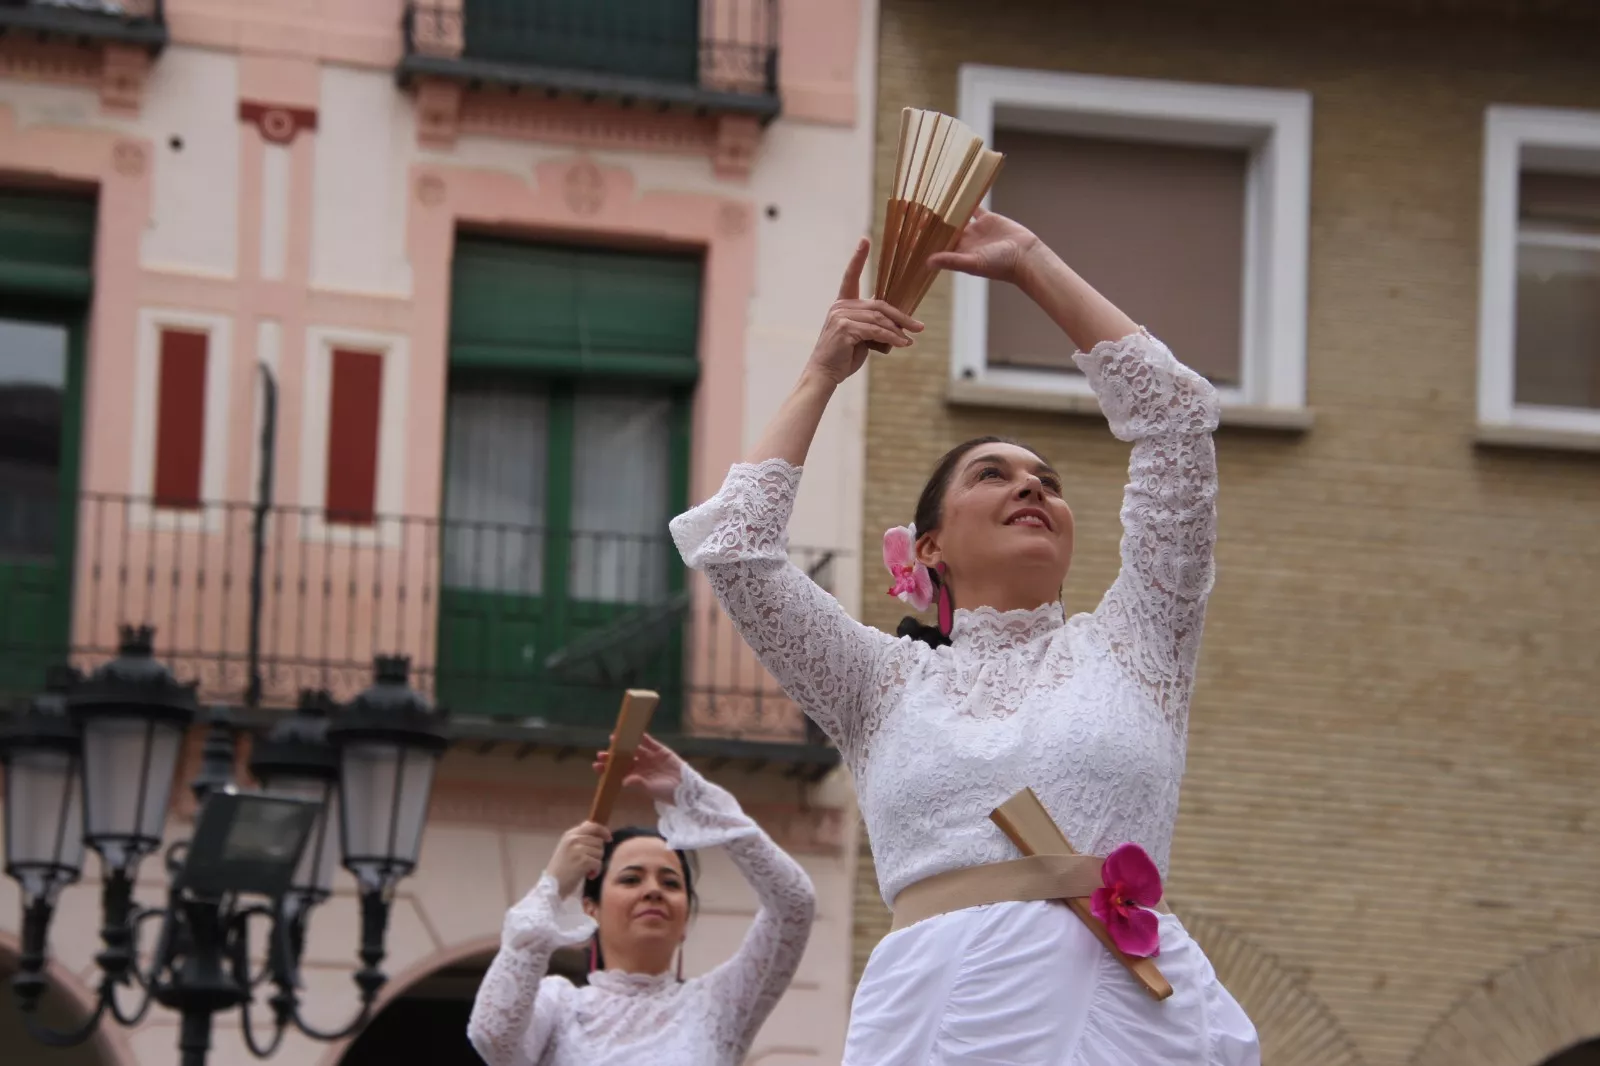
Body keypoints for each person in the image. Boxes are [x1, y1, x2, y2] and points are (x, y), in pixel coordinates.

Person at [668, 206, 1260, 1064]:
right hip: (935, 1021)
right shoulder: (877, 684)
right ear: (929, 548)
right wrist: (823, 371)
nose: (1032, 488)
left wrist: (1030, 262)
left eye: (1047, 481)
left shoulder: (1140, 641)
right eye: (993, 474)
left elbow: (1176, 420)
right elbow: (735, 550)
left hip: (1127, 1020)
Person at [466, 734, 816, 1066]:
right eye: (631, 879)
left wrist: (695, 797)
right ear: (591, 909)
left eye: (671, 883)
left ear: (685, 920)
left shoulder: (719, 1005)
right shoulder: (559, 1004)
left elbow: (794, 905)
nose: (653, 890)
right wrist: (553, 886)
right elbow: (491, 1036)